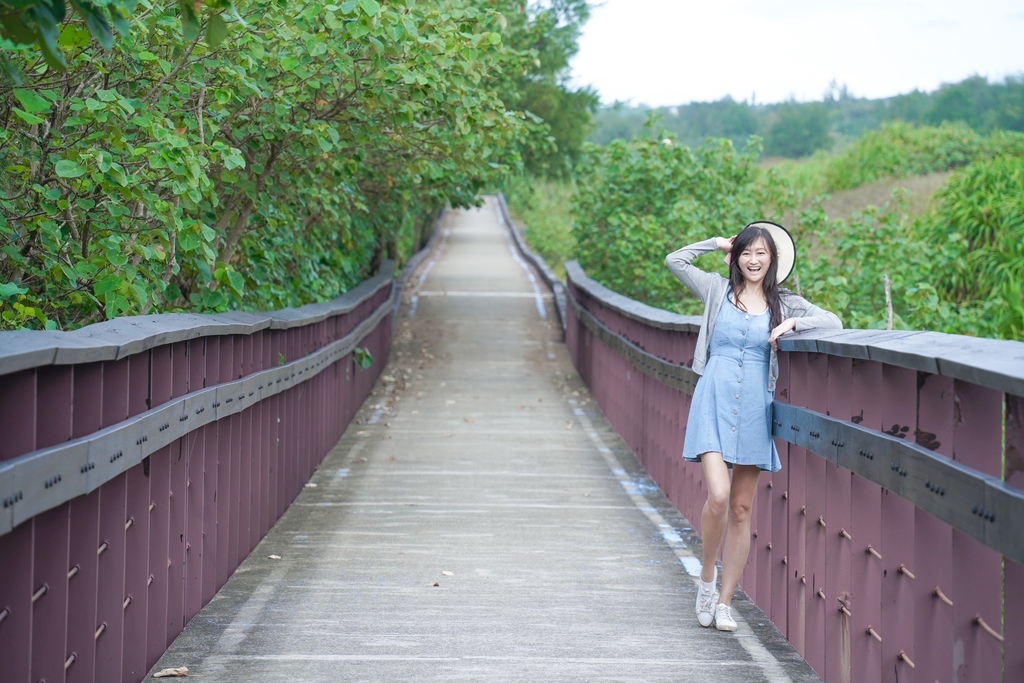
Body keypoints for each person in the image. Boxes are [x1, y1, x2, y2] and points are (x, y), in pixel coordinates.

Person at [665, 222, 842, 632]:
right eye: (747, 252)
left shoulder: (785, 303)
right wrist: (714, 243)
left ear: (773, 259)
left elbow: (833, 321)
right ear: (737, 256)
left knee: (742, 509)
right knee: (720, 495)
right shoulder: (716, 290)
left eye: (762, 253)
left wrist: (794, 325)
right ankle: (706, 578)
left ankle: (725, 602)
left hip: (755, 408)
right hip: (714, 395)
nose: (754, 260)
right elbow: (675, 260)